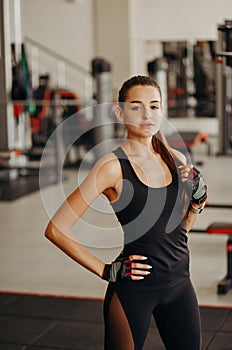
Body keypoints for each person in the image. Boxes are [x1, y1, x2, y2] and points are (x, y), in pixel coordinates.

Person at [45, 75, 207, 350]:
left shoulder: (176, 159)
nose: (147, 114)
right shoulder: (111, 167)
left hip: (180, 284)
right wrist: (106, 270)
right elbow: (56, 229)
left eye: (154, 106)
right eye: (136, 106)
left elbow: (180, 228)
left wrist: (197, 198)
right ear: (120, 112)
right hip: (134, 291)